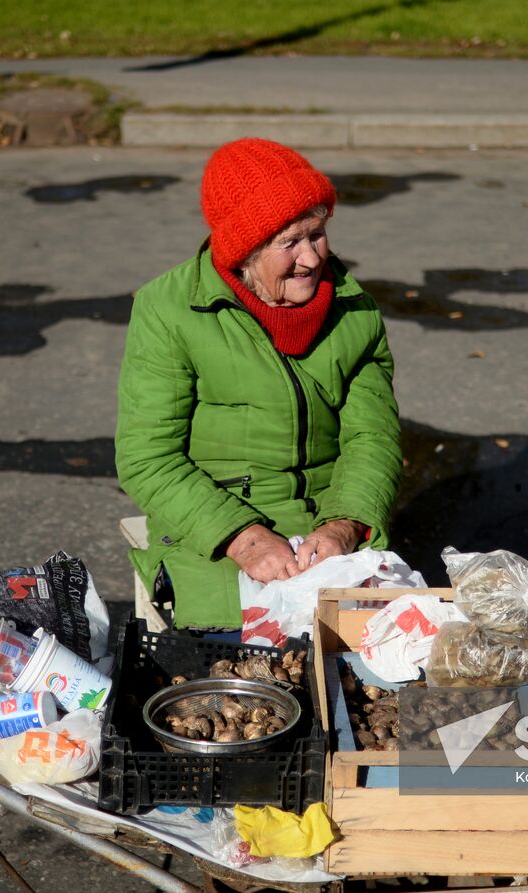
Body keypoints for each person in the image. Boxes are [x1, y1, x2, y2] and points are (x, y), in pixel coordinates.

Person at [115, 138, 402, 631]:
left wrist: (345, 524)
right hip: (215, 531)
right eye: (290, 242)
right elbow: (147, 457)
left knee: (382, 670)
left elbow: (371, 438)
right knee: (241, 680)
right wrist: (243, 539)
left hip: (327, 532)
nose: (311, 259)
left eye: (317, 234)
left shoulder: (356, 311)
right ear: (243, 252)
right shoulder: (168, 310)